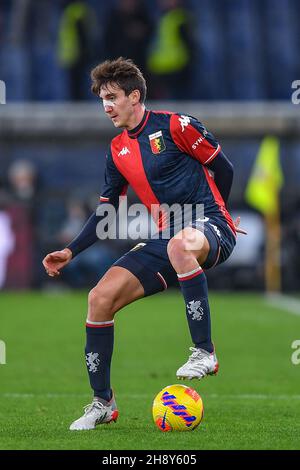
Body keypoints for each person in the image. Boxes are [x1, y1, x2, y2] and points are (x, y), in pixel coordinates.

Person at [43, 57, 245, 431]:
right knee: (99, 298)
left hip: (210, 224)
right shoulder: (117, 149)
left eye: (112, 97)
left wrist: (221, 216)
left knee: (181, 245)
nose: (105, 106)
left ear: (134, 96)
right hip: (168, 238)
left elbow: (224, 167)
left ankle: (205, 352)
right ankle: (102, 403)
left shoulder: (175, 125)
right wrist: (70, 251)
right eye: (102, 99)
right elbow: (106, 210)